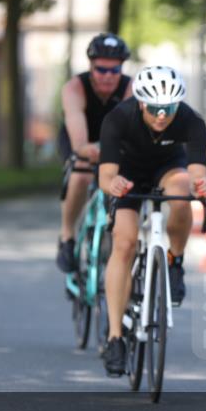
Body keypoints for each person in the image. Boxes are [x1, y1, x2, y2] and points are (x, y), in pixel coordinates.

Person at [98, 65, 206, 376]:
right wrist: (114, 185)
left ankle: (174, 261)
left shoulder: (191, 121)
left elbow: (198, 170)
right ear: (140, 103)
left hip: (168, 167)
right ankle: (115, 338)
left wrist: (203, 184)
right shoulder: (118, 118)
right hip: (128, 172)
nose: (162, 115)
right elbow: (105, 174)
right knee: (124, 242)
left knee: (181, 190)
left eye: (169, 108)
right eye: (155, 108)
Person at [56, 33, 134, 273]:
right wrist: (85, 149)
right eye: (101, 69)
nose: (108, 76)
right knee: (81, 175)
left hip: (115, 143)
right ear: (90, 66)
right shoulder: (74, 88)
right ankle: (67, 235)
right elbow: (80, 143)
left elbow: (132, 130)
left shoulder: (131, 87)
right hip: (81, 138)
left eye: (115, 70)